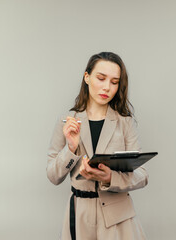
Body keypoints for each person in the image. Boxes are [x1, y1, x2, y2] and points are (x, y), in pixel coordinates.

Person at [47, 52, 148, 240]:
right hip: (80, 217)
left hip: (119, 219)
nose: (107, 87)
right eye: (101, 78)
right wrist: (70, 149)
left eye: (114, 82)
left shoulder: (124, 122)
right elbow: (53, 176)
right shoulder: (68, 121)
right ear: (87, 77)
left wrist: (111, 177)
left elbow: (142, 175)